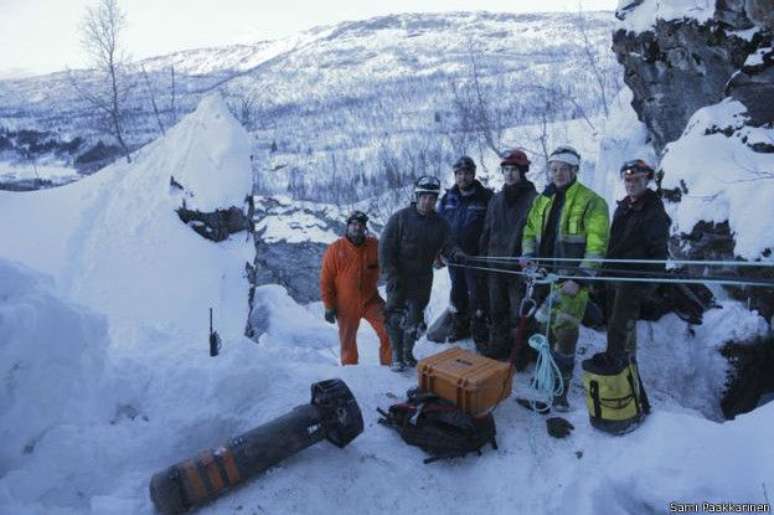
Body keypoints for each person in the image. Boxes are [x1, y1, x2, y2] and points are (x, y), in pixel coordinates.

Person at [521, 145, 610, 410]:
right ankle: (544, 379)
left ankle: (560, 393)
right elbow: (529, 230)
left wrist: (581, 278)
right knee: (543, 331)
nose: (557, 174)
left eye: (563, 169)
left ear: (574, 170)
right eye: (553, 168)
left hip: (572, 282)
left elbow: (597, 245)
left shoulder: (591, 201)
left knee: (565, 335)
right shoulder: (542, 200)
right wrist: (528, 255)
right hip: (543, 277)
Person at [379, 175, 463, 372]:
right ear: (417, 196)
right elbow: (385, 247)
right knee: (394, 315)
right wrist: (390, 273)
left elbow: (448, 245)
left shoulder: (440, 224)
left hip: (423, 277)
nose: (427, 201)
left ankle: (408, 352)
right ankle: (397, 355)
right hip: (399, 275)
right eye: (424, 196)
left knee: (415, 317)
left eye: (432, 198)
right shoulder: (400, 218)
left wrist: (456, 254)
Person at [605, 159, 670, 359]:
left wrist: (647, 285)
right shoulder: (623, 207)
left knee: (620, 328)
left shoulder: (654, 211)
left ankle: (621, 371)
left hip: (633, 280)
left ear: (647, 180)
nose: (631, 184)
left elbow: (659, 253)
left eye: (636, 180)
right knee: (614, 324)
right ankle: (620, 368)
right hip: (613, 276)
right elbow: (614, 242)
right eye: (628, 180)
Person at [478, 149, 538, 361]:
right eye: (506, 170)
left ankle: (521, 352)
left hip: (518, 268)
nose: (510, 174)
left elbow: (538, 234)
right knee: (497, 310)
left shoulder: (534, 200)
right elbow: (487, 230)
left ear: (523, 172)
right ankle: (498, 346)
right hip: (495, 265)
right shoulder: (496, 199)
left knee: (519, 313)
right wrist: (483, 259)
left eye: (514, 169)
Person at [320, 211, 391, 366]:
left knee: (389, 328)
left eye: (360, 225)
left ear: (365, 228)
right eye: (353, 224)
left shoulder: (375, 246)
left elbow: (390, 267)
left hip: (371, 300)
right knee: (347, 342)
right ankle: (351, 373)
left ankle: (389, 366)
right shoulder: (334, 250)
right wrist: (329, 306)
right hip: (345, 304)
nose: (357, 228)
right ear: (348, 226)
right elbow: (326, 280)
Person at [438, 156, 493, 341]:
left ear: (473, 174)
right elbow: (439, 225)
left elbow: (492, 227)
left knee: (478, 293)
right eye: (459, 173)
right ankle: (459, 326)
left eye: (467, 173)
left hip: (476, 257)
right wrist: (439, 252)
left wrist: (486, 252)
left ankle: (479, 329)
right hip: (453, 256)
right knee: (457, 291)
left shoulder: (485, 197)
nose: (463, 177)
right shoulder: (448, 198)